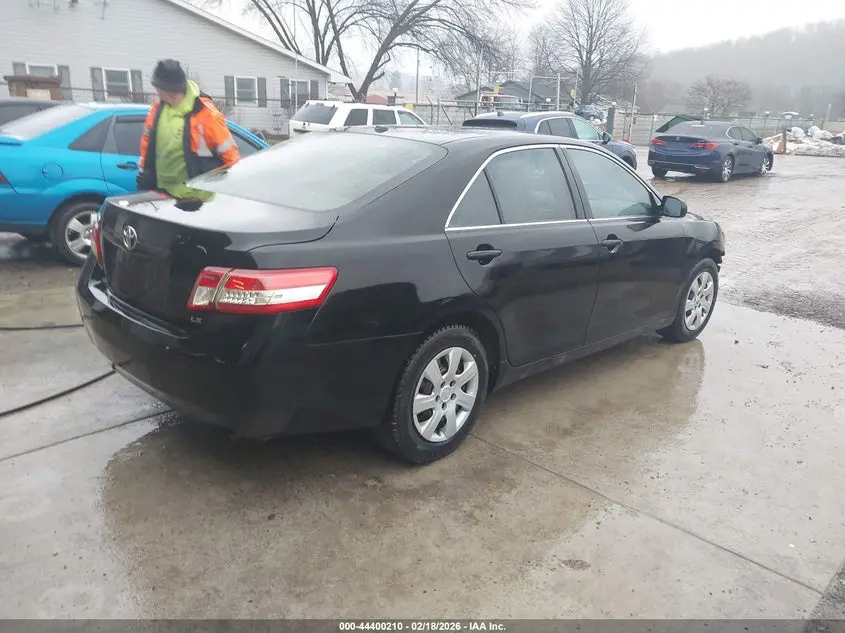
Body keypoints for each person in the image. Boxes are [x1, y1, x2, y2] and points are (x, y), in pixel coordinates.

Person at [137, 59, 240, 199]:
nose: (156, 92)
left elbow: (231, 159)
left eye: (157, 88)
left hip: (198, 199)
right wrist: (144, 172)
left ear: (165, 90)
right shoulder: (157, 110)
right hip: (164, 196)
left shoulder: (206, 113)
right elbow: (147, 145)